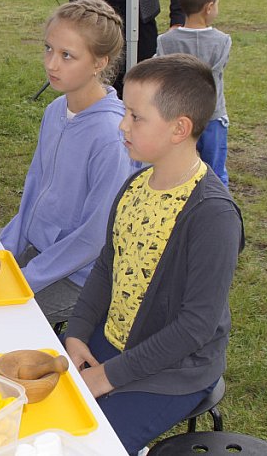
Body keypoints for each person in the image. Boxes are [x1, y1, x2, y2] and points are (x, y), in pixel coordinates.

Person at [64, 54, 244, 455]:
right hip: (112, 341)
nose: (121, 124)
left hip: (174, 368)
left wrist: (109, 376)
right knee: (48, 412)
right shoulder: (135, 186)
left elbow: (195, 327)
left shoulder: (212, 216)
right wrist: (76, 333)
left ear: (180, 128)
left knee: (90, 445)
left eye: (135, 116)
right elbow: (107, 267)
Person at [0, 0, 140, 330]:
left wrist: (27, 279)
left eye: (67, 56)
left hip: (82, 276)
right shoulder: (55, 111)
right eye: (49, 49)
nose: (52, 64)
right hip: (40, 254)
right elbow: (33, 191)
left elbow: (95, 237)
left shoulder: (110, 136)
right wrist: (3, 249)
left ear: (99, 62)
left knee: (2, 322)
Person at [156, 0, 231, 187]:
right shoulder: (222, 41)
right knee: (215, 171)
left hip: (178, 115)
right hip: (213, 114)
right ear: (209, 7)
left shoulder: (166, 41)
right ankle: (218, 210)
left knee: (178, 166)